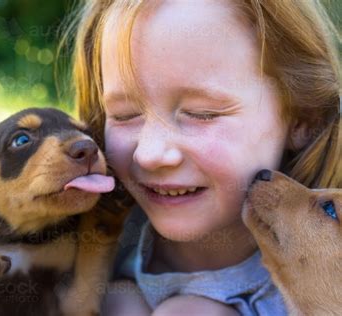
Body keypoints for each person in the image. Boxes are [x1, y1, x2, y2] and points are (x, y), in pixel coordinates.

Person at [67, 0, 341, 314]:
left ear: (303, 117)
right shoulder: (82, 245)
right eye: (124, 115)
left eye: (203, 114)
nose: (151, 154)